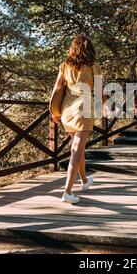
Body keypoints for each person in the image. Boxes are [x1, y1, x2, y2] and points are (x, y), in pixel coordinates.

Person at [51, 35, 102, 204]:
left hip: (67, 111)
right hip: (84, 109)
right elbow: (100, 92)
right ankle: (67, 191)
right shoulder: (94, 67)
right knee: (76, 149)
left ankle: (85, 181)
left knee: (78, 147)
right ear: (90, 49)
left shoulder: (64, 66)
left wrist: (54, 110)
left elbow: (57, 88)